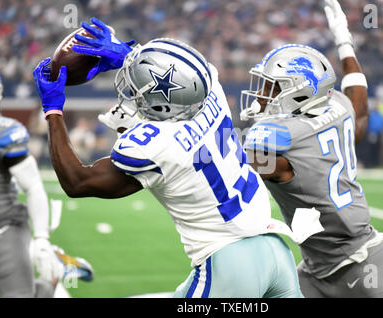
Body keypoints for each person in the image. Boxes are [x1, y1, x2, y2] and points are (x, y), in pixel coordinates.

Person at [32, 17, 303, 298]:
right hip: (276, 250)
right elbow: (181, 73)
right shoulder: (212, 90)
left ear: (163, 104)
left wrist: (53, 109)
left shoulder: (156, 144)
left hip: (227, 262)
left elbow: (77, 182)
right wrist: (130, 54)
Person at [240, 0, 383, 298]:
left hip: (363, 264)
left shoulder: (282, 141)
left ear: (298, 94)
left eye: (271, 87)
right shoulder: (335, 106)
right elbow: (359, 111)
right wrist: (345, 43)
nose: (260, 94)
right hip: (316, 268)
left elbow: (235, 164)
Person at [0, 71, 93, 297]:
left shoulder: (5, 133)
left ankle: (53, 275)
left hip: (3, 226)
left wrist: (41, 238)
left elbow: (33, 186)